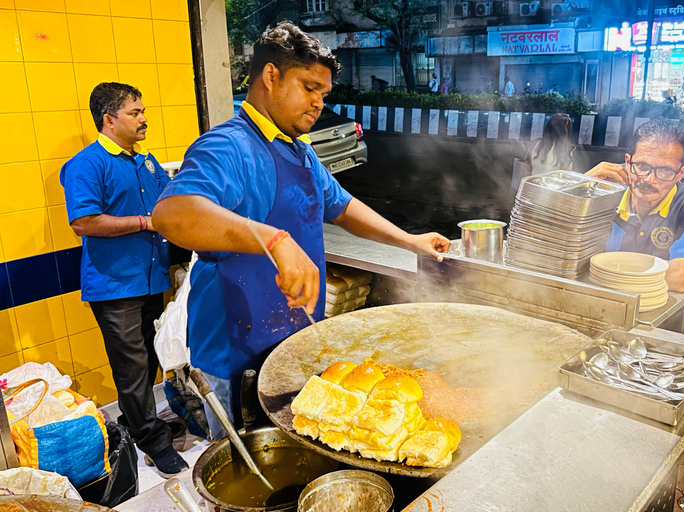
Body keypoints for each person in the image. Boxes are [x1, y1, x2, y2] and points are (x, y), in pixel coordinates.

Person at [151, 22, 450, 438]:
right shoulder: (228, 146)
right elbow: (173, 213)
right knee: (249, 467)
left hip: (291, 340)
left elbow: (343, 206)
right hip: (236, 356)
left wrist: (408, 241)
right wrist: (274, 239)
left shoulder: (300, 151)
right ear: (271, 76)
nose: (318, 103)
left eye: (323, 94)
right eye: (310, 88)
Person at [60, 83, 188, 477]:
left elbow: (170, 202)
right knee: (132, 369)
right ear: (109, 119)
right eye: (135, 113)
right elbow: (84, 222)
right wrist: (144, 222)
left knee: (149, 360)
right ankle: (154, 442)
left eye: (143, 111)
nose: (144, 118)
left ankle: (140, 425)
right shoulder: (87, 164)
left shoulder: (144, 162)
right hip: (115, 287)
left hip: (151, 279)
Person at [586, 119, 684, 337]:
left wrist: (602, 268)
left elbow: (679, 277)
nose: (649, 179)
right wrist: (580, 186)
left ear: (681, 172)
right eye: (642, 166)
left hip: (668, 331)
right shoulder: (604, 194)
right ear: (627, 162)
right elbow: (555, 249)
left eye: (665, 171)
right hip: (602, 320)